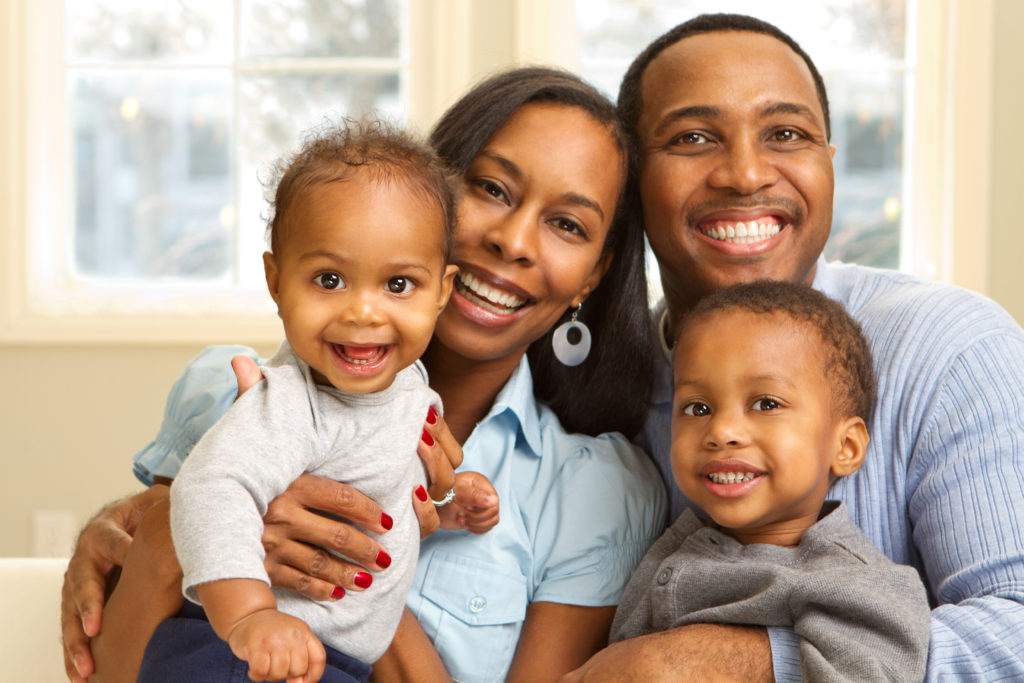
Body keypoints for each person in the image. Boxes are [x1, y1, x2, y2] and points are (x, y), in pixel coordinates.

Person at [62, 66, 667, 683]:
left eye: (567, 224)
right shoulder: (230, 391)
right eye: (490, 189)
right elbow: (111, 670)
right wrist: (189, 533)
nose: (514, 241)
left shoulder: (595, 492)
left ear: (592, 276)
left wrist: (358, 563)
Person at [562, 13, 1024, 681]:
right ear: (632, 181)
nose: (746, 173)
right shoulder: (599, 389)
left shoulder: (951, 349)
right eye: (693, 137)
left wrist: (739, 662)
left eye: (785, 133)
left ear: (828, 163)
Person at [137, 120, 466, 683]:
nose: (364, 312)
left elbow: (389, 491)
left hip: (329, 658)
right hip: (235, 654)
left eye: (399, 285)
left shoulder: (410, 385)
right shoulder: (290, 400)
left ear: (442, 289)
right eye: (330, 279)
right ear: (275, 280)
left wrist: (458, 501)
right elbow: (211, 486)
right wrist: (251, 615)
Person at [609, 280, 930, 682]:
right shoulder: (669, 548)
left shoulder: (860, 587)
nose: (722, 431)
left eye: (766, 404)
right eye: (698, 407)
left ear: (845, 446)